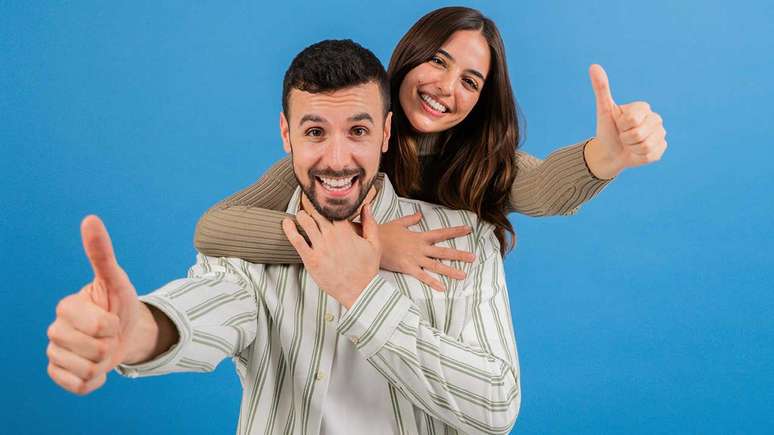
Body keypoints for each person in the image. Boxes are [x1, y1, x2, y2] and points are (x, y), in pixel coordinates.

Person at [46, 40, 520, 434]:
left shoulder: (466, 241)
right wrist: (139, 330)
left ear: (386, 133)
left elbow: (497, 406)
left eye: (358, 130)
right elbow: (209, 308)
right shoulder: (249, 249)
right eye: (315, 131)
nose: (337, 159)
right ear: (286, 134)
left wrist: (362, 294)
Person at [193, 6, 667, 292]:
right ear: (410, 54)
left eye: (470, 81)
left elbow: (543, 188)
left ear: (481, 101)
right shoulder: (345, 154)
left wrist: (606, 155)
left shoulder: (482, 166)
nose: (445, 87)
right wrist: (369, 246)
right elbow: (216, 226)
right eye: (438, 61)